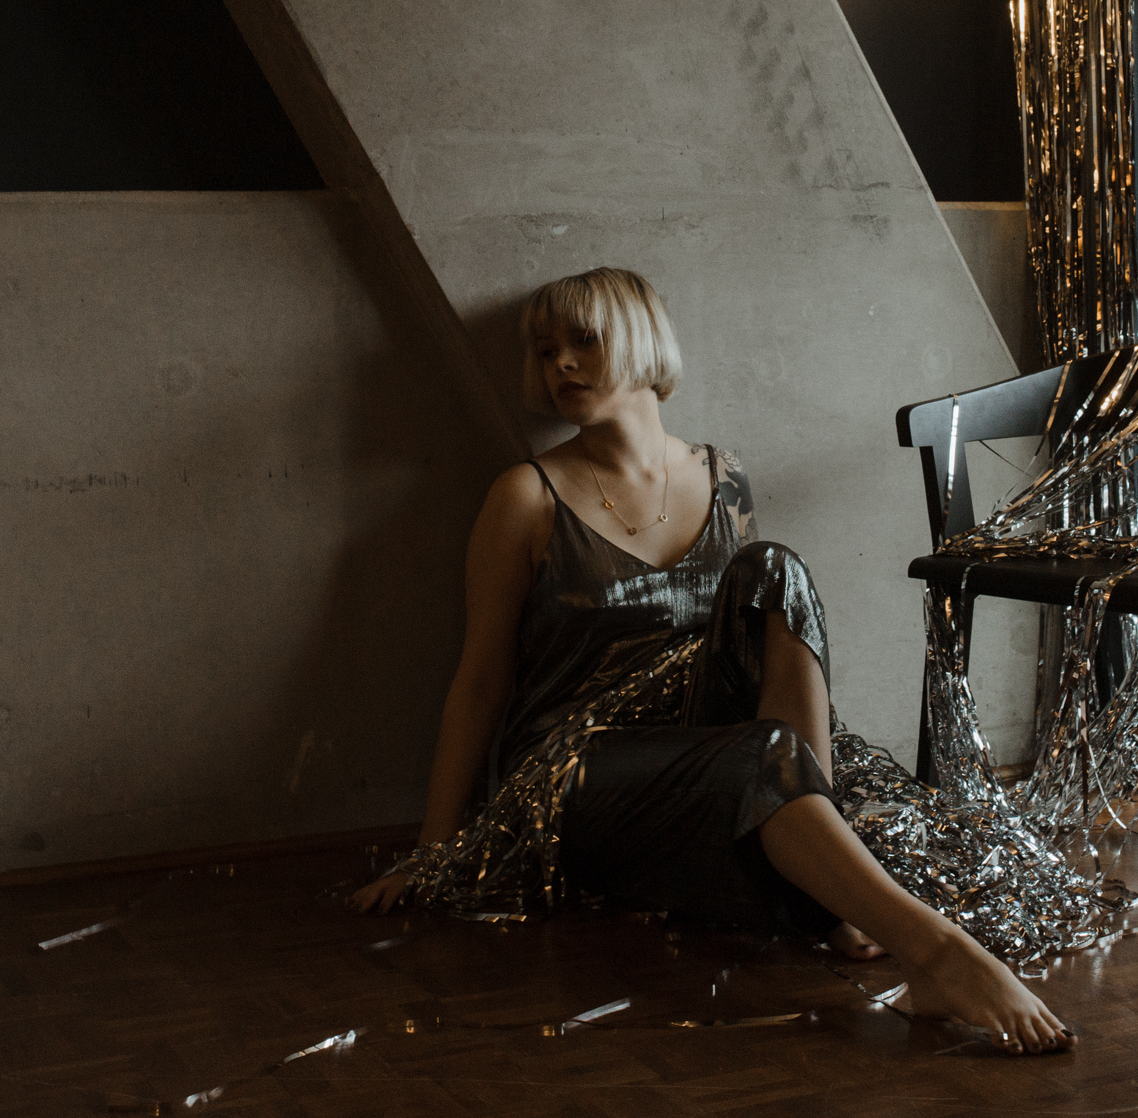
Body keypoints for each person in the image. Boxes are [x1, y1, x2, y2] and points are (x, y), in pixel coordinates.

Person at [353, 266, 1071, 1054]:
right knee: (763, 754)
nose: (560, 363)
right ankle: (935, 950)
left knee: (777, 570)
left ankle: (828, 864)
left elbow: (753, 644)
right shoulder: (525, 496)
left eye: (584, 340)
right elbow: (481, 680)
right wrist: (435, 851)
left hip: (700, 742)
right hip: (576, 771)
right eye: (546, 349)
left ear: (642, 340)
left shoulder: (722, 475)